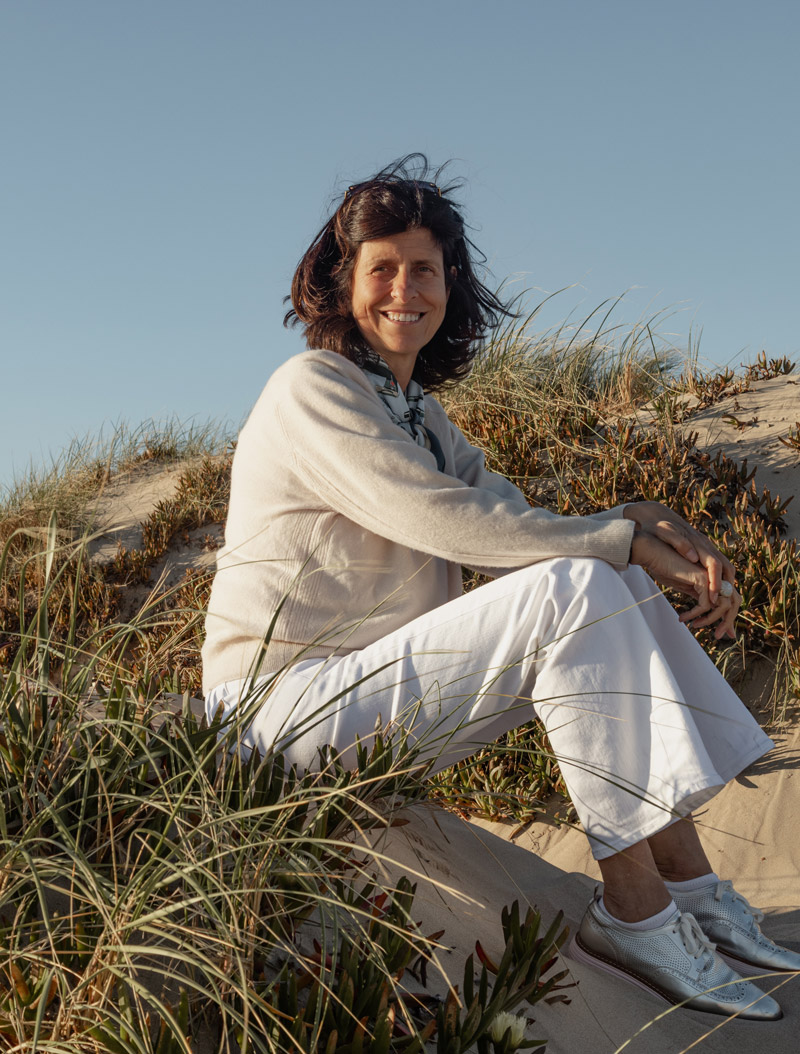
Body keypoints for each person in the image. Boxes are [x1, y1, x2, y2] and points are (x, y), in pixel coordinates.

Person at [202, 155, 799, 1020]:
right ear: (343, 283)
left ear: (450, 285)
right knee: (582, 580)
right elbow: (446, 523)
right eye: (383, 267)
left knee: (596, 580)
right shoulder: (311, 389)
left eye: (425, 269)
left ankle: (695, 890)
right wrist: (624, 540)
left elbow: (515, 529)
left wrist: (626, 521)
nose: (405, 288)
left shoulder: (424, 417)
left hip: (369, 711)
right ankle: (634, 911)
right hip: (274, 726)